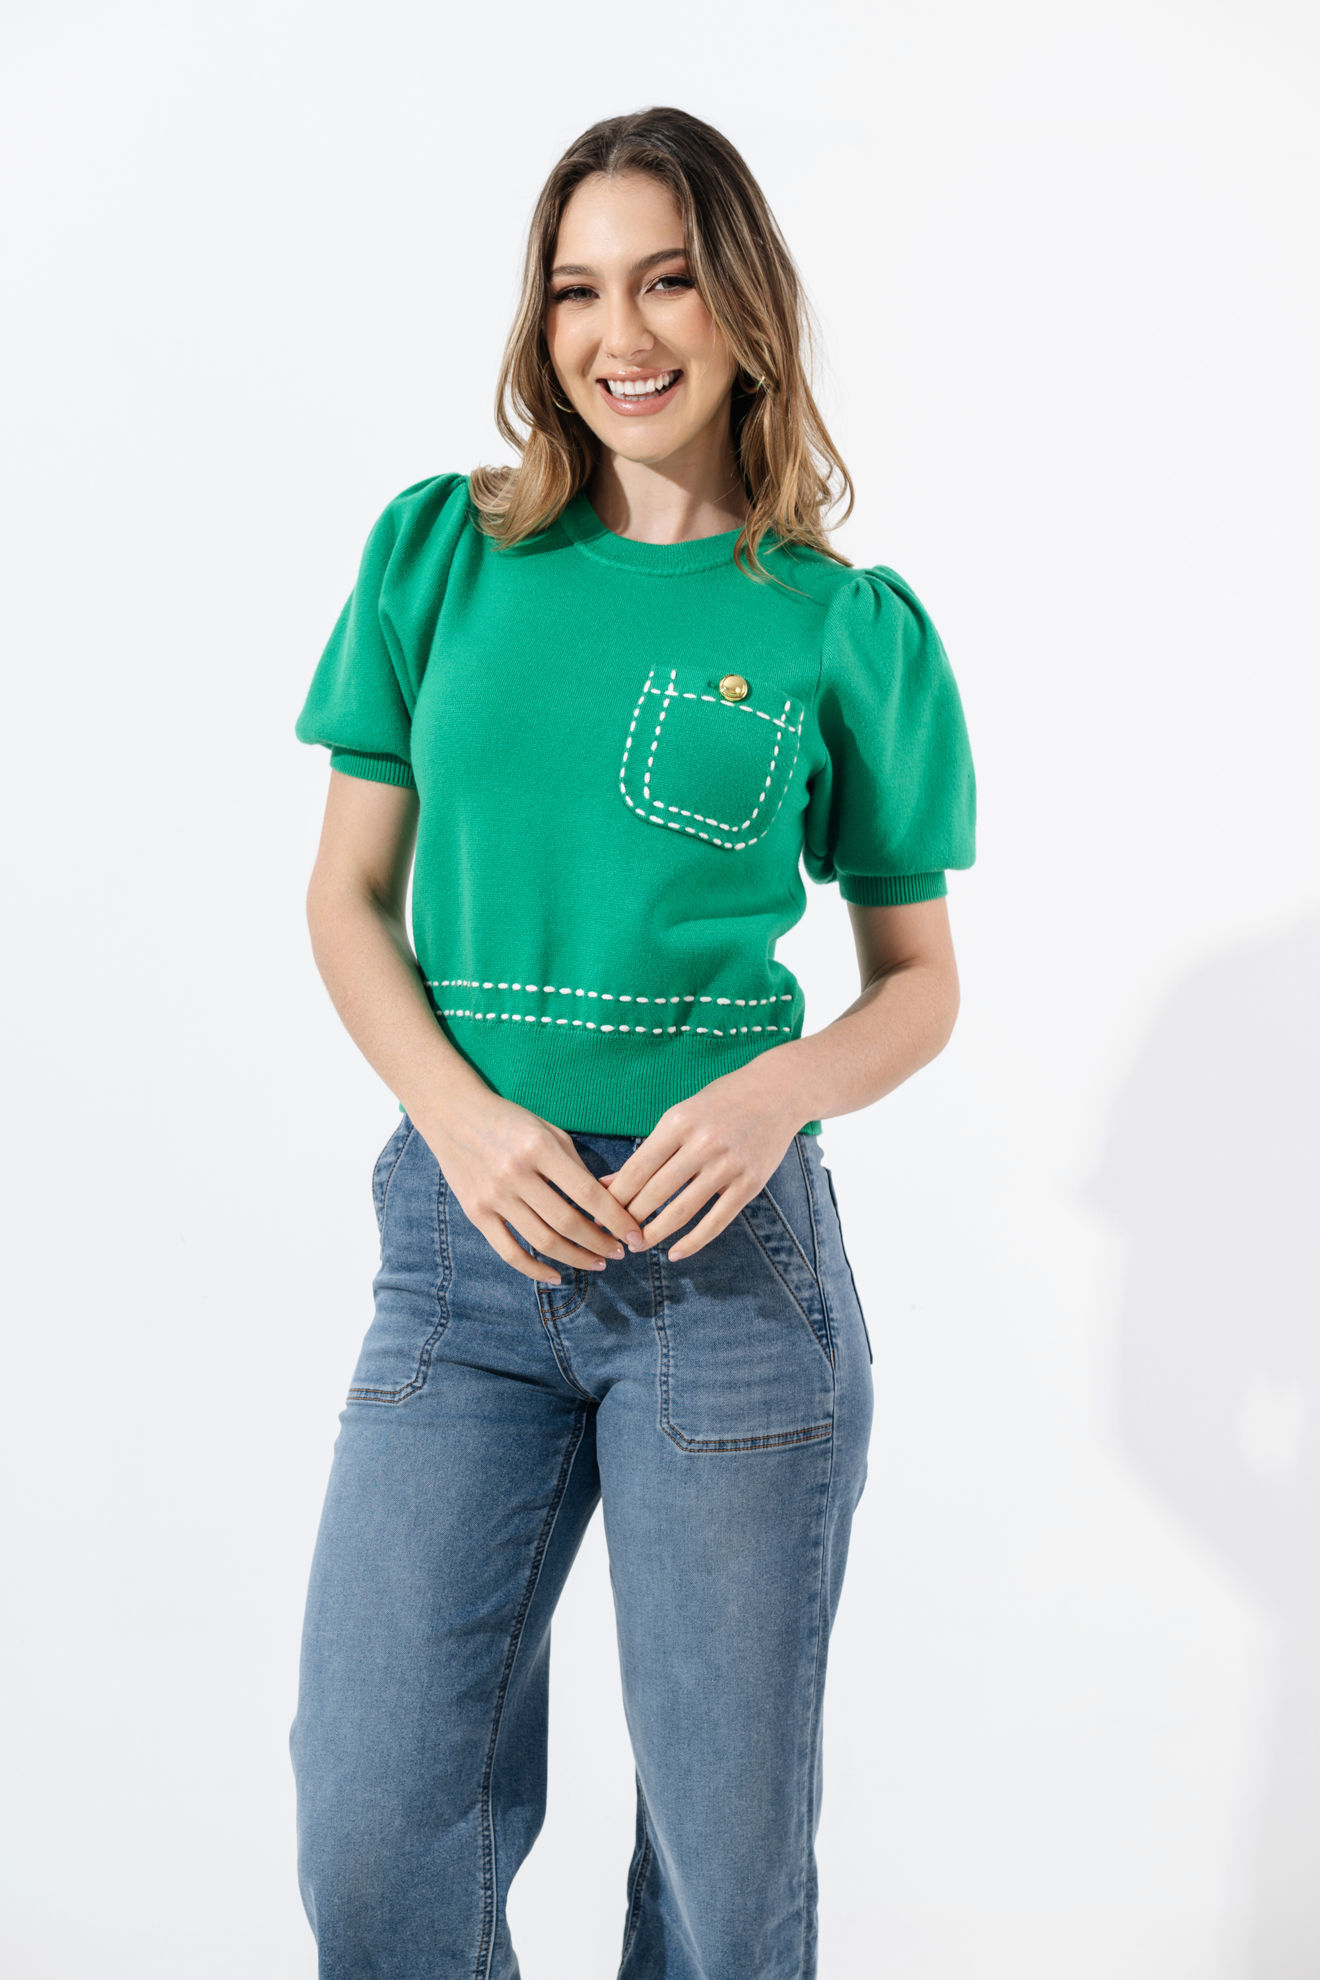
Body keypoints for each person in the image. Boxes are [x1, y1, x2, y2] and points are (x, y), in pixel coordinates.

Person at [287, 104, 976, 1980]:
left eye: (667, 280)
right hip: (462, 1259)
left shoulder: (839, 627)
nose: (622, 333)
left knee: (725, 1892)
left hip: (725, 1277)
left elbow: (919, 979)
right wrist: (460, 1120)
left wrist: (775, 1096)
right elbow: (347, 899)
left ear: (743, 304)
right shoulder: (441, 556)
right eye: (578, 289)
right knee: (375, 1830)